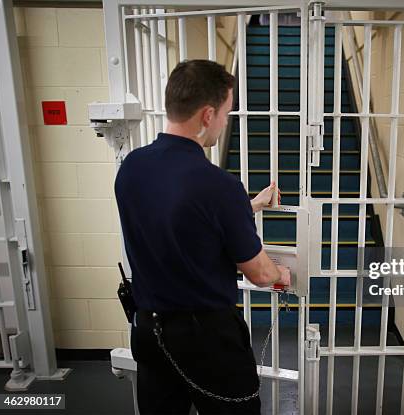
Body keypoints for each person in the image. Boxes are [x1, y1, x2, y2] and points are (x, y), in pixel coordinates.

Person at [114, 59, 290, 415]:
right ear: (208, 115)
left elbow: (179, 215)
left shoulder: (132, 166)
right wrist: (281, 275)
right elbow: (258, 273)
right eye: (226, 113)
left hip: (148, 329)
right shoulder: (218, 185)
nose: (225, 123)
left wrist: (249, 205)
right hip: (206, 338)